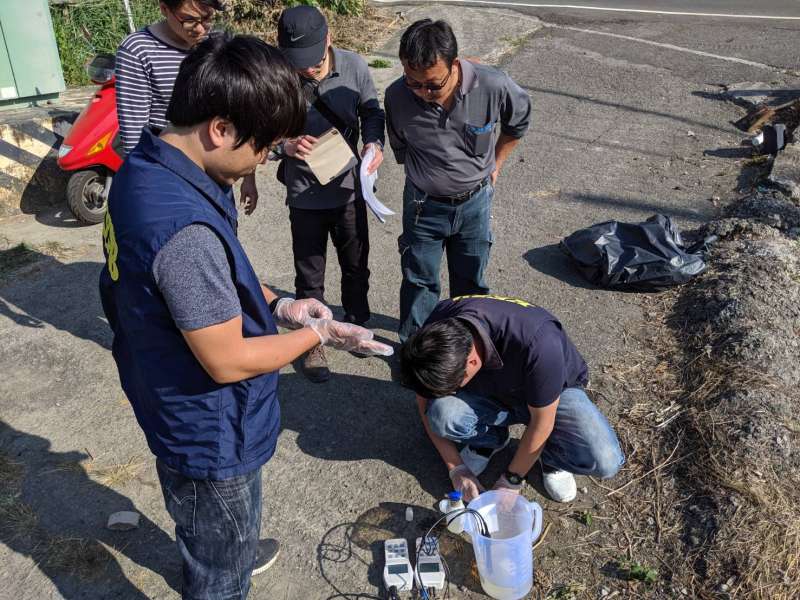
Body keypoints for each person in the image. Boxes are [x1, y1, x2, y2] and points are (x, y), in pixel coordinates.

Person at [99, 34, 391, 599]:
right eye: (263, 146)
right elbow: (229, 360)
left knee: (208, 525)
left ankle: (221, 545)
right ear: (220, 128)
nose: (265, 159)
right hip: (208, 426)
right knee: (219, 572)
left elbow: (212, 284)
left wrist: (279, 304)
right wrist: (318, 331)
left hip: (162, 388)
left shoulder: (146, 167)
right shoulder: (184, 232)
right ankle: (221, 566)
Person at [384, 19, 532, 342]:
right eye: (413, 82)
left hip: (475, 205)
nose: (423, 94)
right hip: (423, 206)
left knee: (470, 282)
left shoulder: (493, 86)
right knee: (418, 280)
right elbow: (400, 146)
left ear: (455, 64)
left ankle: (469, 347)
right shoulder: (396, 97)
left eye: (433, 85)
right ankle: (415, 349)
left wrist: (497, 163)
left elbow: (518, 121)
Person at [400, 295, 623, 503]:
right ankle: (490, 441)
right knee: (441, 414)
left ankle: (552, 457)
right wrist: (456, 468)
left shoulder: (539, 343)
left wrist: (511, 480)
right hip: (493, 388)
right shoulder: (436, 331)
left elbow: (542, 421)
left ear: (472, 364)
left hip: (554, 394)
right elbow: (425, 406)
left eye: (451, 386)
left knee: (605, 459)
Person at [274, 5, 386, 383]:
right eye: (298, 62)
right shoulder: (278, 74)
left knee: (356, 266)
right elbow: (261, 126)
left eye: (313, 60)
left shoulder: (354, 66)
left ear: (329, 39)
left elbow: (373, 112)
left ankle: (355, 326)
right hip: (304, 193)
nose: (306, 69)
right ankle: (311, 342)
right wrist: (284, 146)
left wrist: (374, 143)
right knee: (309, 276)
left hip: (350, 189)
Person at [115, 0, 259, 213]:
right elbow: (134, 138)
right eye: (190, 20)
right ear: (164, 8)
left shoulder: (218, 43)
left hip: (218, 182)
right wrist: (143, 197)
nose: (201, 29)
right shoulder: (138, 51)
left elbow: (240, 114)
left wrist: (249, 175)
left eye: (207, 17)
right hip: (169, 185)